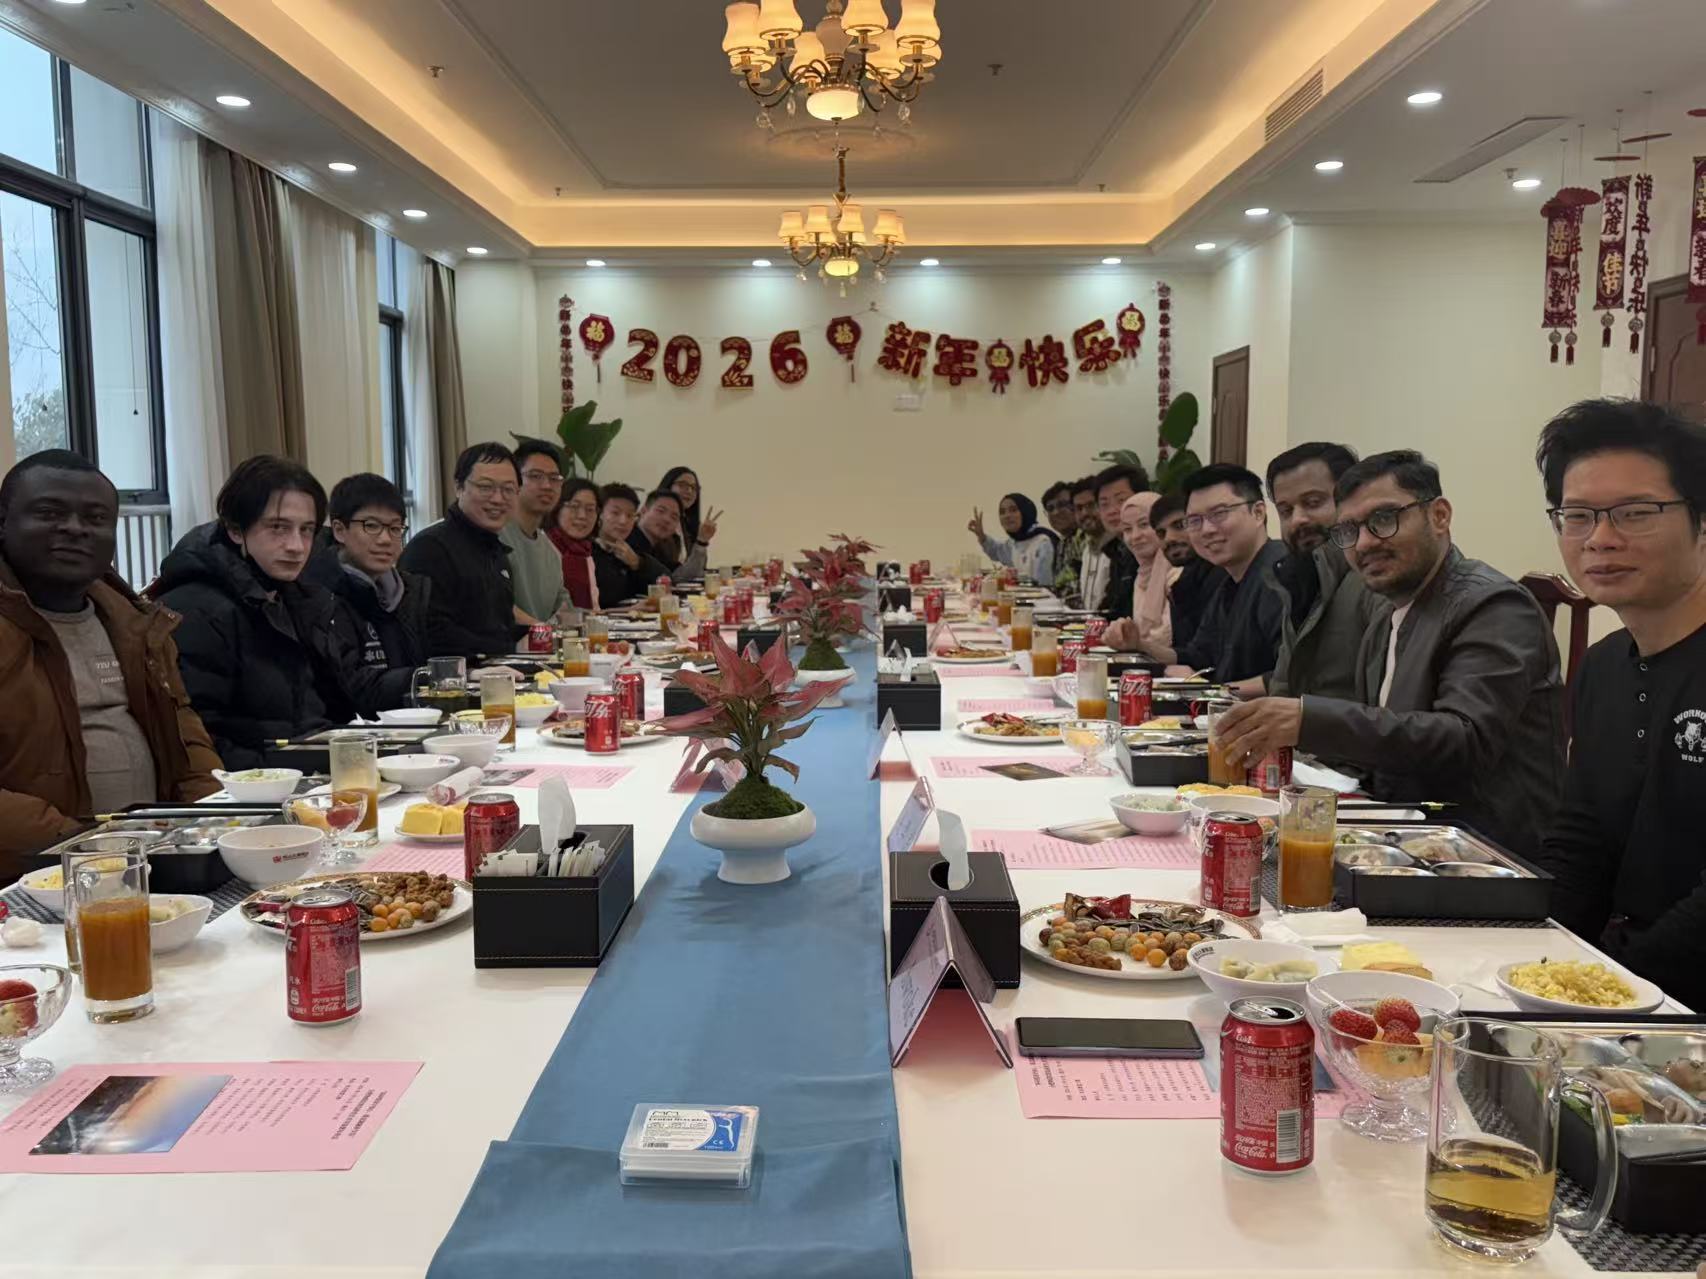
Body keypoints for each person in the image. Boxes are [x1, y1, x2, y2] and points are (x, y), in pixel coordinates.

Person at [1216, 450, 1565, 857]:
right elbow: (1385, 746)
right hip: (1400, 838)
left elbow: (1464, 739)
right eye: (1348, 530)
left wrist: (1308, 720)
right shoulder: (1387, 612)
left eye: (1383, 520)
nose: (1364, 543)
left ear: (1439, 516)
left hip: (1482, 855)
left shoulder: (1493, 606)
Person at [1531, 400, 1706, 1009]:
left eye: (1636, 513)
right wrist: (1527, 966)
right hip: (1628, 989)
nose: (1601, 539)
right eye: (1577, 516)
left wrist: (1614, 995)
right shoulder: (1604, 665)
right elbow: (1581, 842)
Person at [0, 451, 221, 872]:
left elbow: (184, 735)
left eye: (96, 518)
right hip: (34, 874)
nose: (75, 528)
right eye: (50, 513)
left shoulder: (137, 623)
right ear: (3, 523)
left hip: (155, 858)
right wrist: (81, 846)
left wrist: (210, 819)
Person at [155, 456, 369, 768]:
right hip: (254, 782)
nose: (296, 546)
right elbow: (198, 739)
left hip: (313, 766)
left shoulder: (301, 598)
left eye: (306, 530)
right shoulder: (198, 609)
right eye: (278, 527)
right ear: (235, 530)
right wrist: (300, 768)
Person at [1108, 463, 1285, 684]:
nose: (1207, 530)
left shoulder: (1281, 573)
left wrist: (1216, 690)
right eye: (1194, 521)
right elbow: (1198, 655)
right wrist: (1139, 645)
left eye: (1219, 514)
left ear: (1258, 513)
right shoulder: (1228, 581)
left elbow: (1288, 679)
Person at [1259, 442, 1378, 701]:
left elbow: (1385, 710)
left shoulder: (1375, 580)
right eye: (1286, 511)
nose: (1298, 520)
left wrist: (1298, 717)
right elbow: (1283, 689)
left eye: (1313, 502)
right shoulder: (1297, 577)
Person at [304, 473, 431, 708]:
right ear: (339, 530)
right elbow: (351, 687)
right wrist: (430, 678)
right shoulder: (318, 594)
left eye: (395, 528)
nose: (385, 539)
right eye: (371, 526)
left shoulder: (410, 592)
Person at [400, 443, 528, 659]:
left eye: (508, 489)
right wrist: (509, 649)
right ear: (459, 487)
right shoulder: (430, 548)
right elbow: (432, 632)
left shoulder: (495, 551)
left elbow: (497, 628)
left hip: (499, 670)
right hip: (454, 676)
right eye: (486, 487)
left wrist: (538, 636)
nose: (498, 499)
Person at [500, 439, 572, 623]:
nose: (547, 485)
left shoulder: (551, 551)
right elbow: (495, 604)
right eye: (535, 476)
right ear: (514, 481)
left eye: (554, 478)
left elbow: (564, 608)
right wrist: (542, 629)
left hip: (543, 639)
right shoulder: (495, 537)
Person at [1150, 491, 1221, 652]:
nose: (1169, 539)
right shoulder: (1184, 581)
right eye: (1161, 533)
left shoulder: (1223, 576)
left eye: (1180, 525)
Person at [1112, 491, 1174, 650]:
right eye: (1127, 529)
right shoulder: (1140, 575)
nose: (1135, 536)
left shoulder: (1177, 570)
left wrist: (1134, 641)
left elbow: (1166, 635)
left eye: (1144, 525)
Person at [591, 482, 671, 604]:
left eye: (630, 515)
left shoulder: (629, 549)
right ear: (599, 513)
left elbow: (666, 579)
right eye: (615, 513)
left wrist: (637, 563)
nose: (623, 521)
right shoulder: (587, 551)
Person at [1085, 463, 1146, 616]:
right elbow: (1112, 606)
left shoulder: (1149, 548)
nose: (1112, 511)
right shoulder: (1117, 550)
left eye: (1121, 500)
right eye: (1104, 504)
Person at [968, 493, 1057, 584]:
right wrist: (981, 536)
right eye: (1002, 512)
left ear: (1025, 511)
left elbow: (1045, 585)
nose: (1007, 516)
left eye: (1013, 510)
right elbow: (997, 551)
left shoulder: (1043, 542)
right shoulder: (1015, 542)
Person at [629, 489, 708, 585]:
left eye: (674, 517)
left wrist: (702, 541)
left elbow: (680, 577)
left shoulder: (662, 548)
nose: (667, 519)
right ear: (643, 511)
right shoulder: (627, 540)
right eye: (661, 511)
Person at [545, 477, 602, 611]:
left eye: (590, 509)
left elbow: (593, 611)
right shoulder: (544, 546)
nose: (582, 516)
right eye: (574, 506)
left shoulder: (585, 552)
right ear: (557, 507)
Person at [659, 466, 723, 568]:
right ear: (668, 486)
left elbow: (696, 570)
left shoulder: (687, 525)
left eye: (694, 488)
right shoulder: (655, 523)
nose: (689, 491)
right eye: (682, 485)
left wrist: (702, 540)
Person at [1041, 480, 1080, 596]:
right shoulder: (1062, 543)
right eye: (1050, 508)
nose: (1056, 512)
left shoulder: (1086, 540)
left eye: (1062, 505)